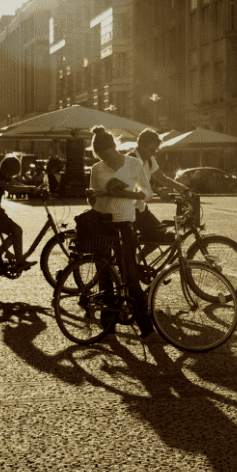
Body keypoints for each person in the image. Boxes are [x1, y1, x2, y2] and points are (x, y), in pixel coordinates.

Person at [88, 126, 155, 339]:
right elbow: (91, 199)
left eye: (107, 155)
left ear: (114, 148)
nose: (105, 160)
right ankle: (108, 326)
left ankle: (146, 327)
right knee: (104, 275)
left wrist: (130, 195)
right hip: (102, 222)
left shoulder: (134, 164)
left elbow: (147, 192)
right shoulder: (97, 169)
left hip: (125, 222)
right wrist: (94, 194)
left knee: (130, 275)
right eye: (101, 157)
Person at [129, 129, 186, 256]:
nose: (153, 153)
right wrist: (157, 191)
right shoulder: (130, 160)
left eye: (155, 150)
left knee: (160, 233)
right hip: (128, 209)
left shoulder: (149, 160)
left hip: (140, 208)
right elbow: (134, 187)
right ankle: (129, 261)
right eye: (151, 150)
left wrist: (185, 189)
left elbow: (164, 180)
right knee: (153, 235)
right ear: (141, 145)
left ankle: (137, 259)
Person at [0, 155, 35, 272]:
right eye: (11, 174)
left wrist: (33, 188)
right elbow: (10, 188)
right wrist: (29, 189)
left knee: (15, 232)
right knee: (17, 231)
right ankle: (19, 261)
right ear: (7, 170)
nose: (11, 176)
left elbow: (15, 183)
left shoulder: (1, 173)